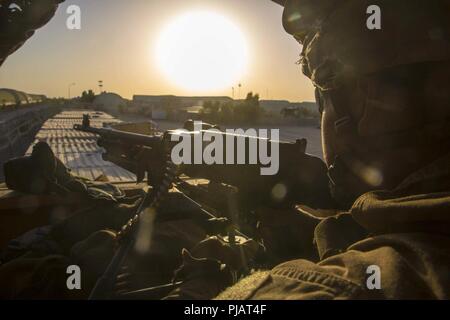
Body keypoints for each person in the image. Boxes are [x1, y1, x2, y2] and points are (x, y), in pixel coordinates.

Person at [170, 0, 450, 299]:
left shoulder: (321, 290)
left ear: (366, 106)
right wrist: (315, 235)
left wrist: (203, 282)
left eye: (323, 101)